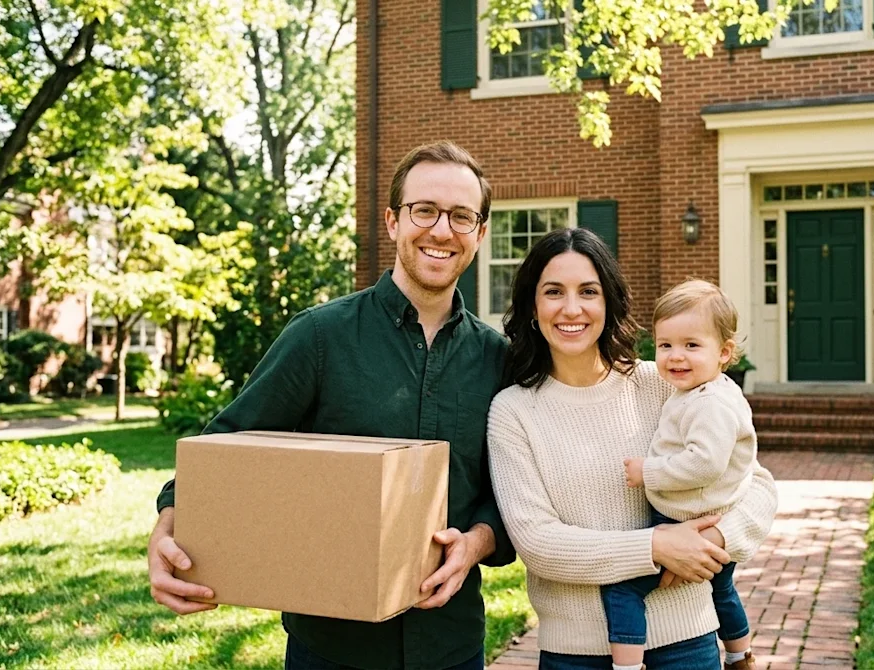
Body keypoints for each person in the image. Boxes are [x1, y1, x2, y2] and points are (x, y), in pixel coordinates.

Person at [146, 140, 515, 670]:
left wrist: (478, 542)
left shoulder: (498, 359)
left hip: (451, 646)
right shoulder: (320, 337)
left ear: (479, 234)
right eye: (424, 210)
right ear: (392, 221)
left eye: (461, 216)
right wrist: (168, 528)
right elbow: (222, 447)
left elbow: (510, 492)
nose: (441, 230)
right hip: (331, 648)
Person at [486, 228, 778, 670]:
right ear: (532, 305)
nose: (572, 308)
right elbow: (537, 541)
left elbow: (756, 485)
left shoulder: (666, 382)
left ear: (609, 303)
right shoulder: (513, 411)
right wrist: (656, 547)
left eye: (588, 291)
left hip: (687, 639)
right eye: (553, 292)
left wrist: (712, 541)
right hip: (575, 652)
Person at [615, 279, 765, 670]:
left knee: (622, 587)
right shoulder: (705, 390)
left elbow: (704, 463)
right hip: (710, 515)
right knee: (722, 588)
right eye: (665, 345)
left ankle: (626, 665)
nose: (675, 357)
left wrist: (649, 471)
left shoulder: (709, 403)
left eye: (691, 345)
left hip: (689, 520)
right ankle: (739, 654)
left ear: (724, 352)